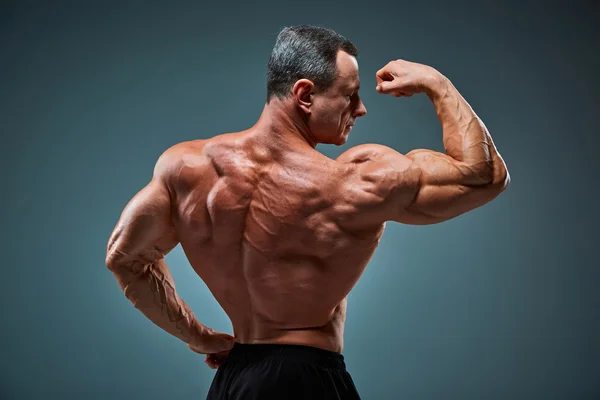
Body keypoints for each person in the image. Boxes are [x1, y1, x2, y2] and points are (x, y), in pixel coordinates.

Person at [105, 25, 510, 399]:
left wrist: (201, 338)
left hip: (234, 381)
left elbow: (125, 259)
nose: (360, 108)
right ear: (305, 94)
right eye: (349, 94)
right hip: (306, 380)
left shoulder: (184, 168)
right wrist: (436, 83)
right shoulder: (350, 182)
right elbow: (485, 176)